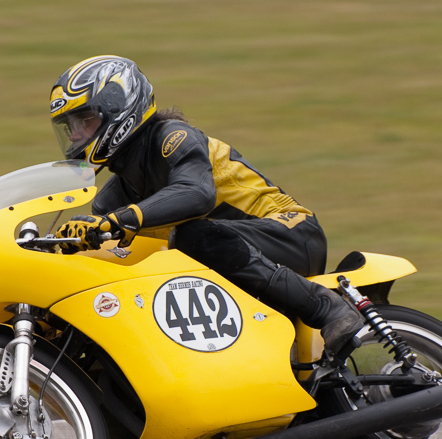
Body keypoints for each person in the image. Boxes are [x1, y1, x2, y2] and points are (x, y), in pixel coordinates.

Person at [50, 55, 363, 355]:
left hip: (292, 234)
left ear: (119, 111)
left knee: (192, 236)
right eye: (70, 127)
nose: (76, 136)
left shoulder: (174, 138)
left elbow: (196, 195)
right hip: (229, 256)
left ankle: (327, 307)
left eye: (85, 121)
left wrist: (119, 221)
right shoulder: (110, 199)